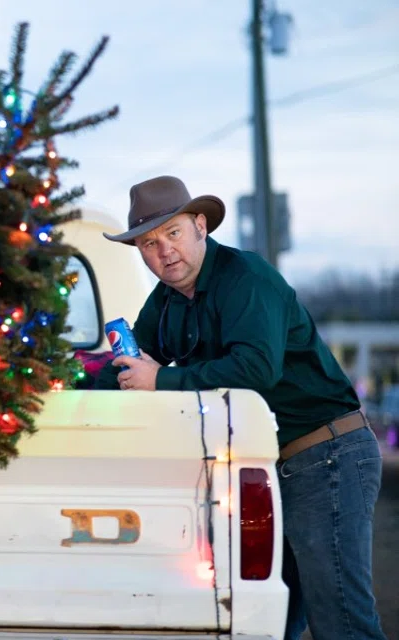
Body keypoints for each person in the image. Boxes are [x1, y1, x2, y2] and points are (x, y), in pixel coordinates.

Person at [95, 175, 386, 640]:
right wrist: (61, 395)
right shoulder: (166, 302)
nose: (164, 251)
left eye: (172, 233)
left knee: (342, 621)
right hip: (269, 467)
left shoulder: (246, 278)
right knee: (268, 622)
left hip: (328, 455)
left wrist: (161, 379)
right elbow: (127, 366)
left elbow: (256, 369)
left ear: (199, 226)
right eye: (149, 243)